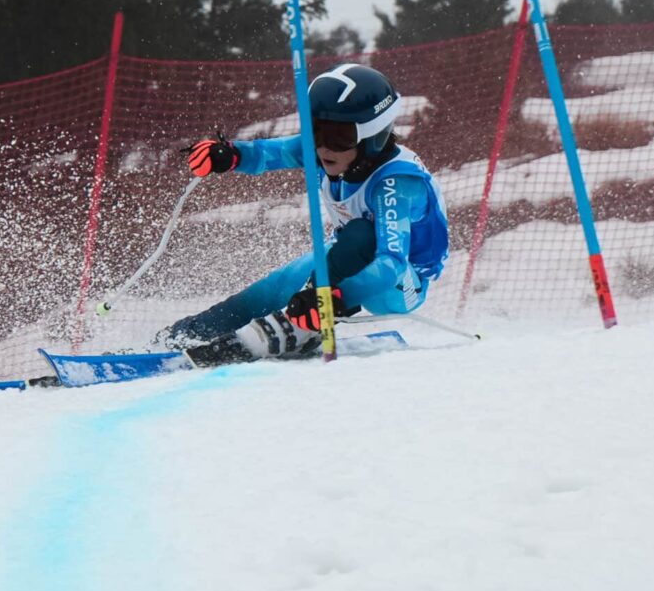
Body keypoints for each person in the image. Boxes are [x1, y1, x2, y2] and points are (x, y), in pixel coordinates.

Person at [161, 62, 449, 365]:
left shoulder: (397, 184)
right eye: (316, 132)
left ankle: (299, 329)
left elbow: (391, 263)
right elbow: (267, 154)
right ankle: (184, 335)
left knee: (361, 235)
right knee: (274, 288)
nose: (324, 147)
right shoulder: (327, 150)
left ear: (373, 137)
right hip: (351, 257)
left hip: (402, 285)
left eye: (339, 136)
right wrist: (227, 155)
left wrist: (337, 300)